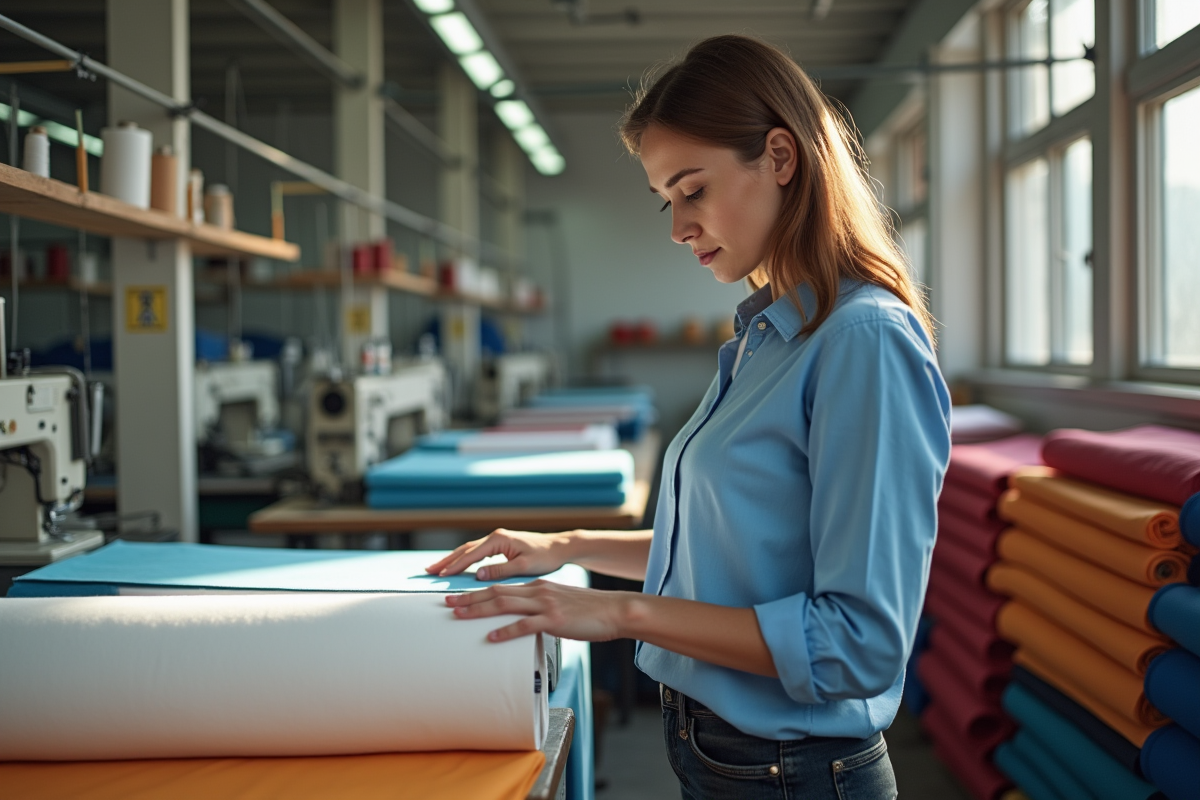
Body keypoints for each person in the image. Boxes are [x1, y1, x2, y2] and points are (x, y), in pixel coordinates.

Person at [427, 34, 950, 800]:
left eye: (693, 190)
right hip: (722, 751)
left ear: (780, 157)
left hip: (794, 772)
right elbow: (724, 552)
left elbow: (858, 644)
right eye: (666, 200)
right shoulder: (766, 338)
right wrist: (565, 545)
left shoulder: (861, 341)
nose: (677, 227)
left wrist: (619, 614)